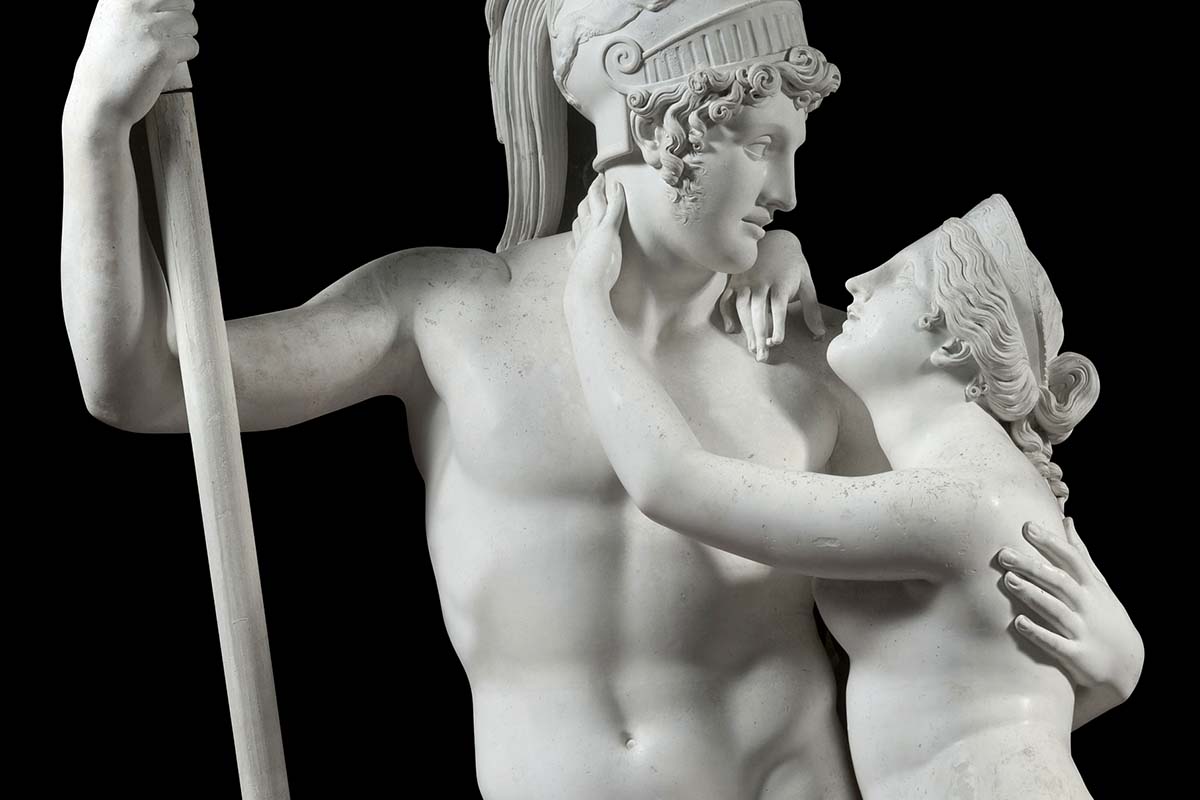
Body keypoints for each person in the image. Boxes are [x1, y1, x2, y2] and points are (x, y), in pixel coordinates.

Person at [60, 1, 1141, 797]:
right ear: (649, 126)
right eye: (762, 144)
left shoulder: (823, 356)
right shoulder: (451, 312)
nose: (788, 192)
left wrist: (1110, 653)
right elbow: (144, 381)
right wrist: (96, 126)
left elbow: (976, 556)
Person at [564, 181, 1140, 798]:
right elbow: (1012, 710)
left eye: (894, 277)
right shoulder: (980, 487)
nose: (857, 282)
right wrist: (1123, 667)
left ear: (951, 344)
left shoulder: (964, 500)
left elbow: (671, 482)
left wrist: (585, 298)